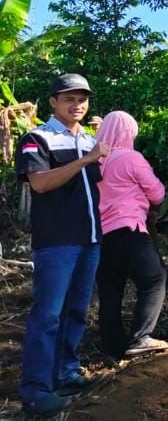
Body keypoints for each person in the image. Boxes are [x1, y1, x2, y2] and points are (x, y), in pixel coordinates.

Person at [15, 74, 107, 416]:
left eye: (82, 98)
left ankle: (66, 371)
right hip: (57, 241)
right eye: (69, 97)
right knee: (48, 314)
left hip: (89, 238)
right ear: (53, 101)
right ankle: (36, 390)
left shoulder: (89, 139)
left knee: (76, 311)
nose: (77, 104)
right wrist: (87, 159)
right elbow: (39, 183)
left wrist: (98, 155)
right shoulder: (37, 138)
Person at [94, 111, 168, 360]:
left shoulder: (92, 161)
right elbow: (157, 193)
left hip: (101, 236)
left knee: (110, 292)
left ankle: (113, 348)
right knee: (154, 279)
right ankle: (141, 337)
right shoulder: (130, 157)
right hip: (129, 229)